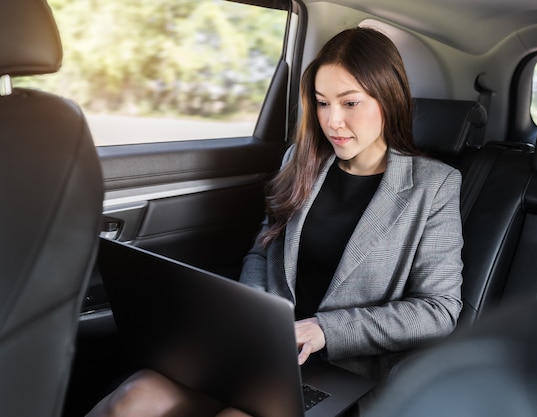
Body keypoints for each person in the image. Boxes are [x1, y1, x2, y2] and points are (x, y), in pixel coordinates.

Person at [85, 26, 463, 417]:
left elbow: (439, 309)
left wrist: (323, 330)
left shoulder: (434, 186)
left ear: (388, 97)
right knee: (135, 395)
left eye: (349, 103)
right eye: (321, 103)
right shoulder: (301, 161)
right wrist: (253, 318)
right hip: (262, 353)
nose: (332, 121)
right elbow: (262, 249)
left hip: (342, 370)